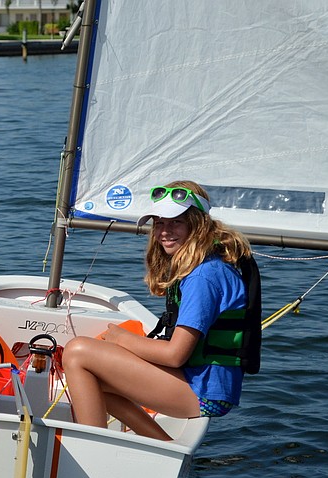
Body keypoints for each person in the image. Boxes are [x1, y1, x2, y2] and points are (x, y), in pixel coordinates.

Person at [62, 180, 260, 440]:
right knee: (94, 378)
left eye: (175, 222)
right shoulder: (205, 266)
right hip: (203, 383)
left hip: (203, 391)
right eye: (159, 223)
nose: (165, 231)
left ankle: (92, 449)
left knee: (78, 352)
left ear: (197, 224)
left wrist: (123, 339)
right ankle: (163, 445)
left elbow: (175, 355)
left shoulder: (204, 277)